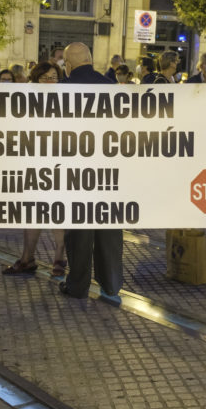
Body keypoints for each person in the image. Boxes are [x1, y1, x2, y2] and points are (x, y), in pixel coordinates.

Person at [58, 43, 123, 300]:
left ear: (68, 65)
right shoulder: (111, 86)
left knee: (79, 231)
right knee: (109, 228)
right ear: (91, 59)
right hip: (108, 169)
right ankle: (111, 286)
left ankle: (78, 285)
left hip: (75, 170)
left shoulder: (61, 89)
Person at [2, 61, 68, 279]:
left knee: (58, 212)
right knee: (33, 212)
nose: (50, 81)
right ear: (36, 79)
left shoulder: (67, 100)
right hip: (34, 163)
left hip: (59, 164)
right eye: (45, 77)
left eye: (53, 77)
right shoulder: (27, 101)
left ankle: (59, 258)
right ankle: (27, 258)